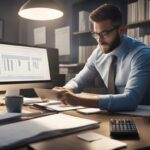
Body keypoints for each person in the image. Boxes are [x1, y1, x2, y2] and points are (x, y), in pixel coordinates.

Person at [54, 4, 150, 112]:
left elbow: (130, 100)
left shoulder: (142, 55)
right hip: (115, 114)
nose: (100, 40)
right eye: (96, 34)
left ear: (122, 30)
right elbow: (79, 80)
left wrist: (79, 100)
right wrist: (67, 89)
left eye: (105, 33)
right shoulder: (98, 52)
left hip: (144, 117)